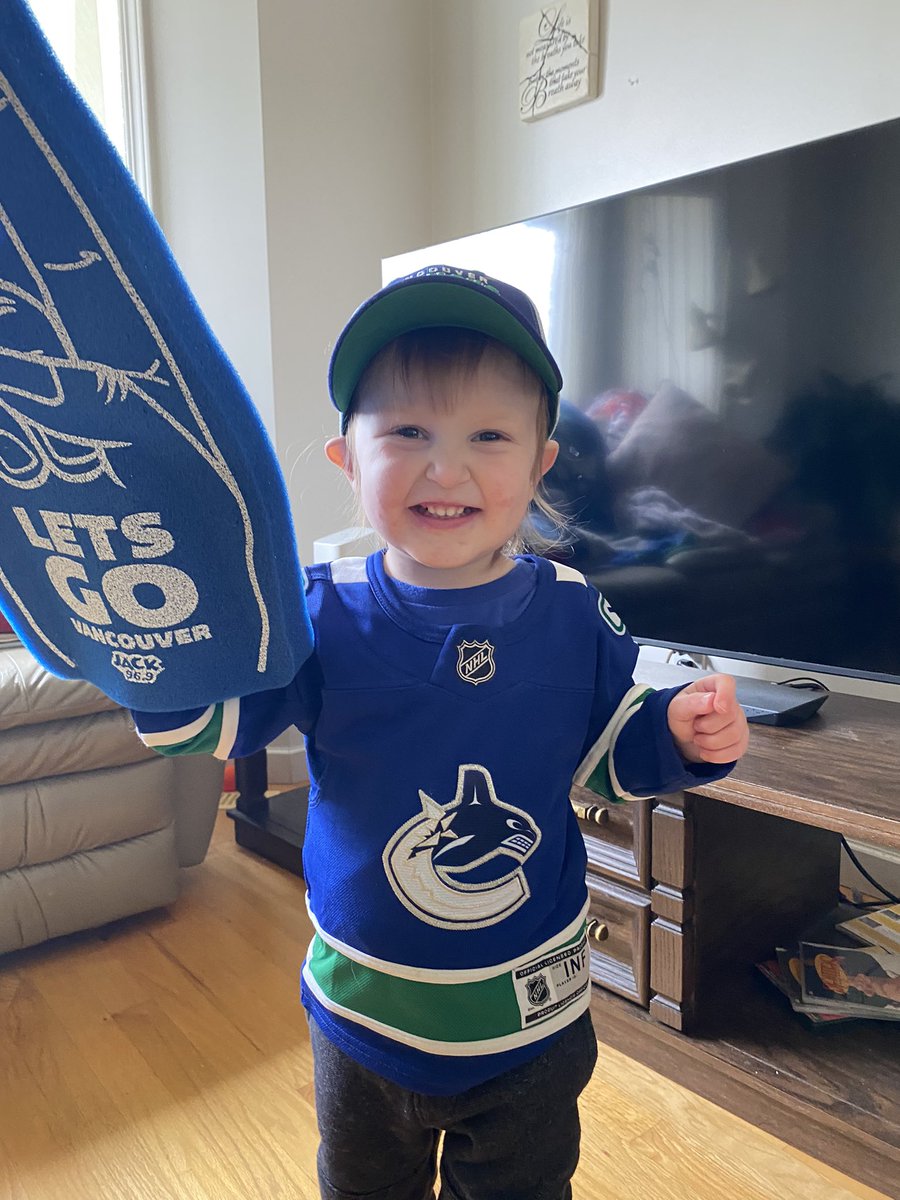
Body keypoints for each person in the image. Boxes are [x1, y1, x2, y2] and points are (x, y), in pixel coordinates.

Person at [132, 265, 750, 1200]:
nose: (446, 467)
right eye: (408, 432)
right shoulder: (320, 612)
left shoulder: (571, 609)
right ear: (348, 457)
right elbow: (214, 724)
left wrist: (680, 728)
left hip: (531, 1019)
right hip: (363, 1015)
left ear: (541, 462)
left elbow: (610, 750)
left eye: (489, 436)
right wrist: (151, 661)